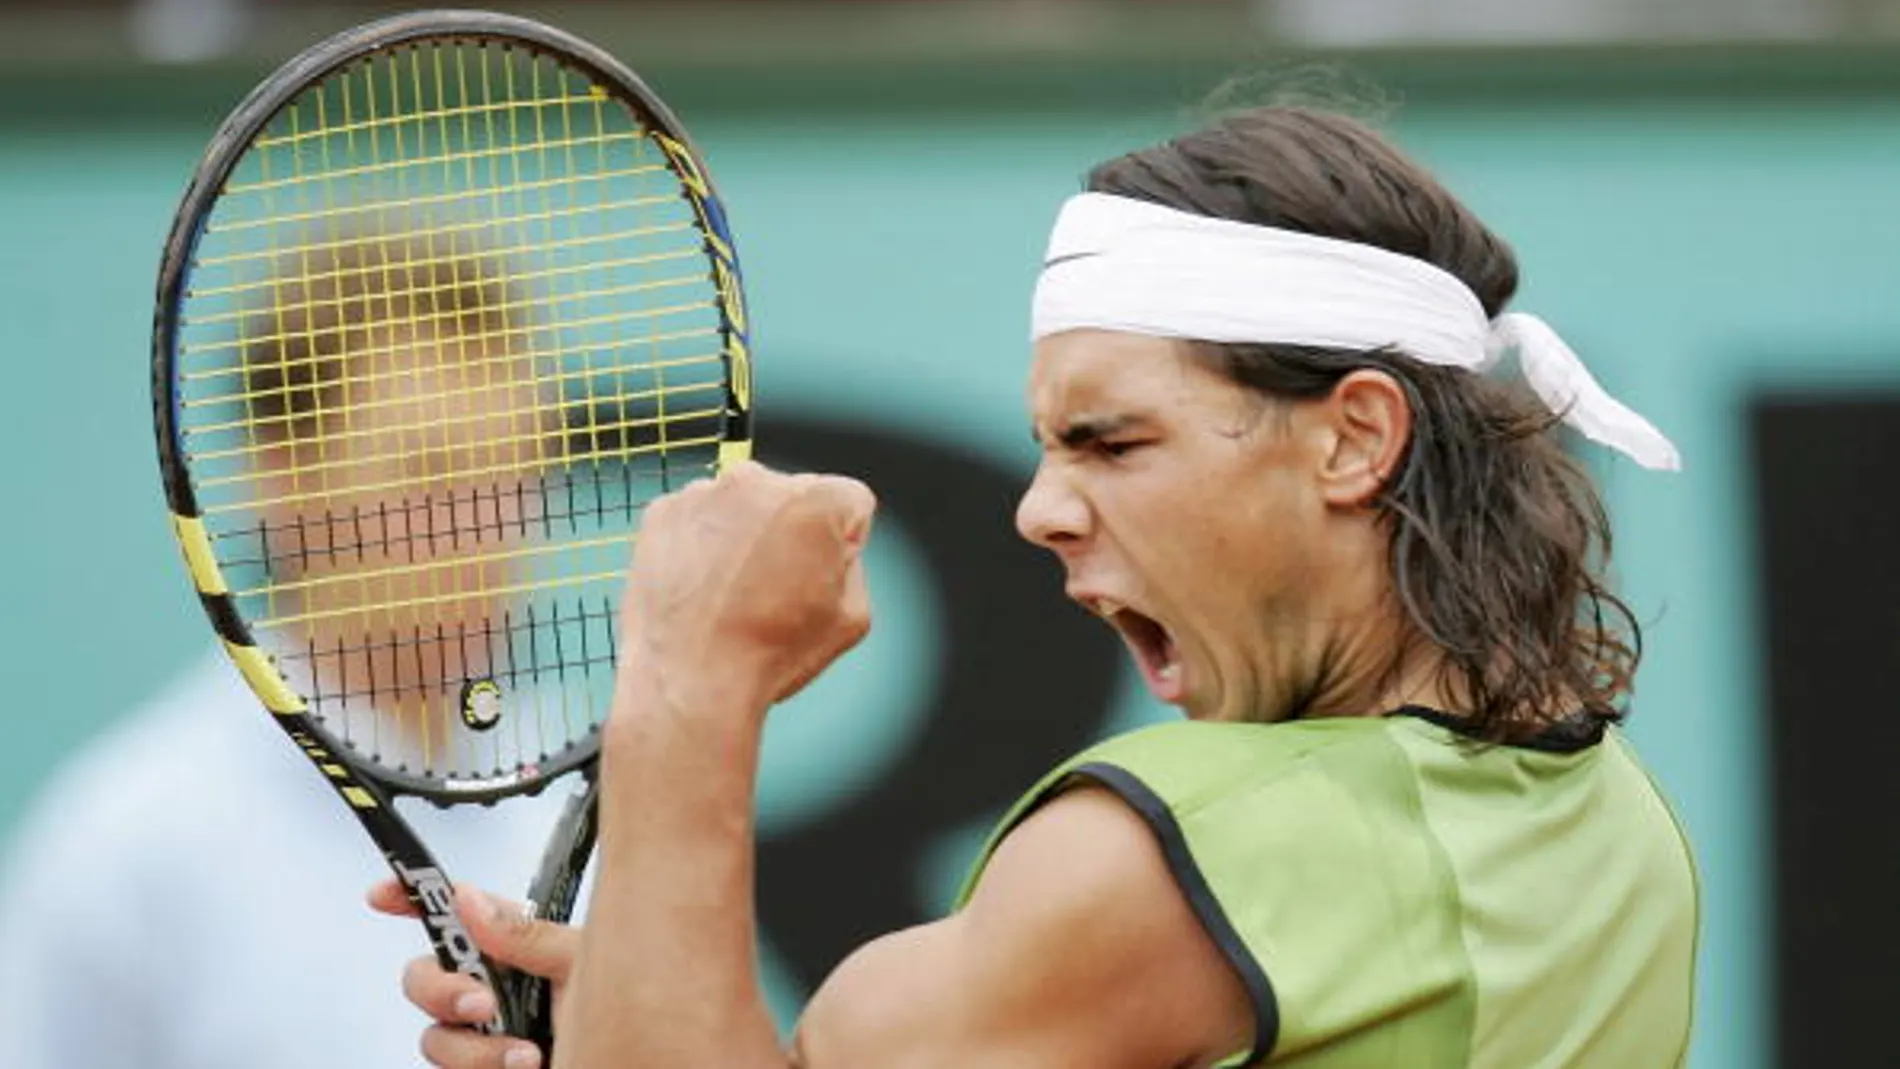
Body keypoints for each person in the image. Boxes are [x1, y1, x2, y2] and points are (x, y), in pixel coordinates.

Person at [381, 104, 1698, 1068]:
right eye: (1047, 448)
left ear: (1355, 438)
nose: (1037, 510)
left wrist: (689, 683)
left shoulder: (1164, 861)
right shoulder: (1621, 824)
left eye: (1110, 442)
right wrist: (634, 1008)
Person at [0, 231, 582, 1069]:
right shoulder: (124, 848)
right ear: (284, 479)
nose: (487, 527)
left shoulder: (579, 804)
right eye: (433, 471)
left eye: (518, 468)